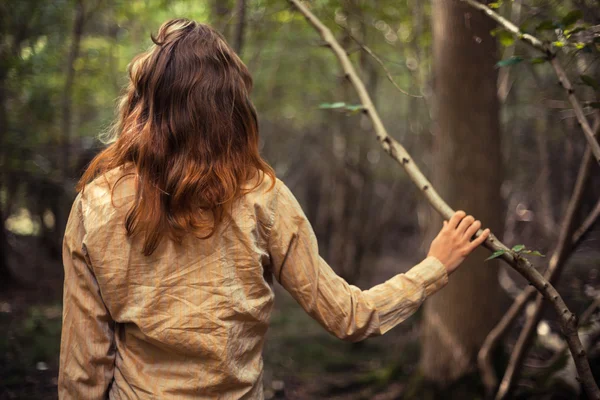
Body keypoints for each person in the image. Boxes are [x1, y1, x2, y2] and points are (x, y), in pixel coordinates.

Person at [58, 18, 490, 399]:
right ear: (230, 109)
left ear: (142, 105)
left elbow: (82, 371)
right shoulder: (262, 197)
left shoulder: (96, 205)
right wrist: (435, 266)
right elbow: (349, 316)